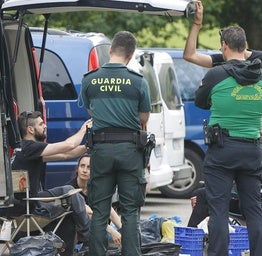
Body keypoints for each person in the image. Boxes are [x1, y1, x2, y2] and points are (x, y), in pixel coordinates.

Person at [195, 25, 262, 256]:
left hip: (223, 149)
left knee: (218, 210)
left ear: (224, 46)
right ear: (245, 47)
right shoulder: (261, 75)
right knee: (254, 209)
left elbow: (200, 101)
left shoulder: (216, 74)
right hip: (253, 149)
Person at [81, 31, 151, 256]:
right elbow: (144, 119)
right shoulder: (138, 82)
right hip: (130, 151)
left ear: (110, 49)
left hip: (101, 151)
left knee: (100, 212)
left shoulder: (90, 79)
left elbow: (92, 111)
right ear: (130, 56)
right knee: (130, 212)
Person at [188, 112, 262, 245]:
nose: (250, 132)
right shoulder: (250, 149)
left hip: (259, 203)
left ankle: (192, 241)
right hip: (238, 196)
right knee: (201, 193)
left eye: (255, 128)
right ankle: (191, 240)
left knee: (205, 196)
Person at [2, 111, 92, 255]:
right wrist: (83, 129)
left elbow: (67, 154)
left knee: (69, 190)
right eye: (41, 124)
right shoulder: (30, 147)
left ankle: (87, 240)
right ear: (30, 130)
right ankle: (90, 240)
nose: (45, 127)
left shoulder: (25, 150)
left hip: (26, 200)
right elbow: (69, 145)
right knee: (69, 201)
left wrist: (89, 147)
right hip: (26, 206)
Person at [183, 0, 262, 116]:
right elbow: (190, 55)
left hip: (261, 126)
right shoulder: (222, 59)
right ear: (244, 43)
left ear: (224, 46)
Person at [66, 153, 122, 246]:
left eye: (89, 167)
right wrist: (112, 231)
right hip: (77, 233)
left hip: (97, 227)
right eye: (82, 166)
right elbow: (89, 213)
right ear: (77, 168)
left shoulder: (96, 186)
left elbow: (108, 209)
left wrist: (122, 229)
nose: (84, 170)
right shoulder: (70, 188)